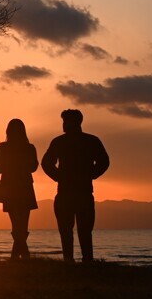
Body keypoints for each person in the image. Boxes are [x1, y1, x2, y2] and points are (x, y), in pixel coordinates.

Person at [41, 109, 110, 263]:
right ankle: (75, 261)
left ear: (76, 122)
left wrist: (89, 174)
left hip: (77, 192)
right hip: (72, 192)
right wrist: (59, 176)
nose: (64, 125)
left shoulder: (84, 141)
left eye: (66, 121)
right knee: (74, 230)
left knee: (78, 231)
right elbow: (46, 163)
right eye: (63, 121)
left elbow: (104, 162)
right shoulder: (69, 141)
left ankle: (80, 261)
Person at [0, 119, 39, 260]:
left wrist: (8, 167)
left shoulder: (2, 147)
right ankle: (22, 256)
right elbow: (34, 167)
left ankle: (18, 256)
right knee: (22, 224)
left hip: (9, 188)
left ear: (8, 131)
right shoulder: (29, 148)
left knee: (16, 224)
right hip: (25, 187)